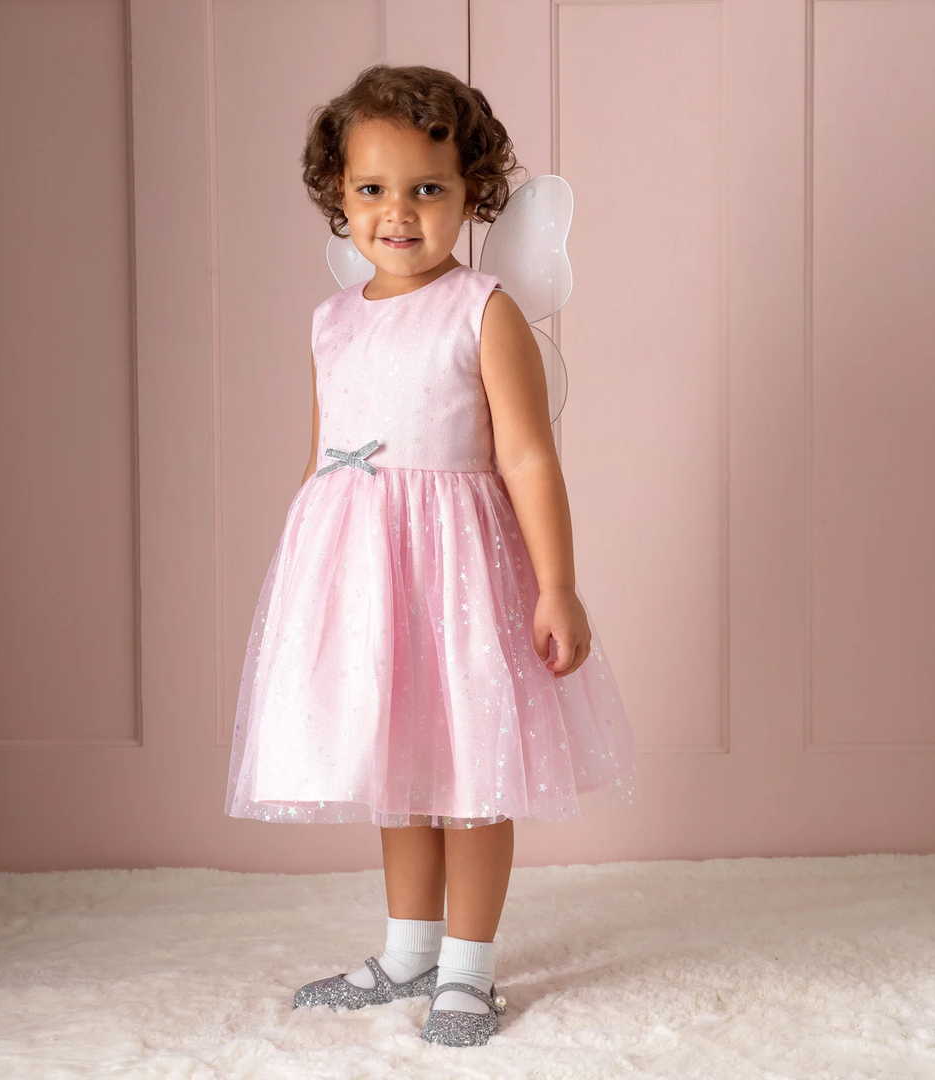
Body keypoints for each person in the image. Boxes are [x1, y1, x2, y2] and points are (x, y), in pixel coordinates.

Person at [224, 63, 638, 1047]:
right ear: (337, 197)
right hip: (361, 581)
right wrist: (310, 588)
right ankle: (407, 949)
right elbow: (325, 459)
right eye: (372, 190)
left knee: (469, 772)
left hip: (459, 578)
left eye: (427, 190)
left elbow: (529, 456)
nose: (397, 213)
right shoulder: (330, 321)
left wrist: (559, 586)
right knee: (396, 765)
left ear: (472, 194)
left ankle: (468, 969)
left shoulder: (482, 311)